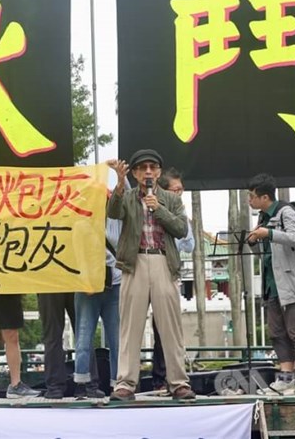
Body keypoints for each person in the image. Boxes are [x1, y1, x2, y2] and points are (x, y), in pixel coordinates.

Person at [107, 149, 195, 401]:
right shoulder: (128, 195)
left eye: (152, 167)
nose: (148, 172)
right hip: (133, 263)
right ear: (134, 173)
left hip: (163, 261)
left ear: (158, 172)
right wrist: (119, 184)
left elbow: (180, 229)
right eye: (142, 168)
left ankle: (178, 382)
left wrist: (159, 209)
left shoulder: (171, 199)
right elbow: (113, 212)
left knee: (170, 326)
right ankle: (125, 384)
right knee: (130, 327)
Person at [246, 173, 295, 396]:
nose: (249, 201)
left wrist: (267, 233)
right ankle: (286, 378)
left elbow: (294, 237)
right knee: (278, 332)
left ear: (264, 196)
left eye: (252, 196)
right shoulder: (262, 217)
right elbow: (266, 252)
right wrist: (254, 240)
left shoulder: (286, 212)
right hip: (273, 284)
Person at [72, 192, 120, 398]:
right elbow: (77, 255)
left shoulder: (115, 222)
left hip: (115, 283)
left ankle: (119, 384)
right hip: (89, 286)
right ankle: (81, 383)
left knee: (116, 338)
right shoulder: (81, 225)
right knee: (84, 335)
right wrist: (84, 280)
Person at [150, 167, 195, 392]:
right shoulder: (152, 206)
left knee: (168, 327)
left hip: (170, 270)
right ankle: (157, 377)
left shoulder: (180, 211)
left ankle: (172, 378)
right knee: (150, 325)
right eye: (175, 190)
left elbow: (189, 244)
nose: (179, 193)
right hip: (149, 266)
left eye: (181, 189)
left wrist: (179, 223)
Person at [38, 290, 101, 399]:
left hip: (48, 281)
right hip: (76, 281)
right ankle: (89, 385)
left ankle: (55, 387)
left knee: (52, 336)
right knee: (84, 333)